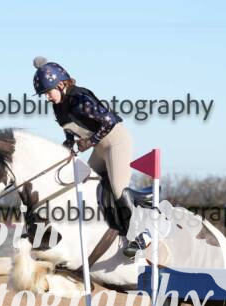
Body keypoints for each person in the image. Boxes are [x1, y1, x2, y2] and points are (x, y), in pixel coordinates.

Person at [32, 56, 147, 258]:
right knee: (84, 184)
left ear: (60, 85)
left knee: (118, 189)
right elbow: (69, 127)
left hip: (117, 142)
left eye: (48, 92)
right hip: (101, 148)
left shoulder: (80, 99)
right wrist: (68, 143)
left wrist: (90, 141)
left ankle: (140, 236)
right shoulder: (58, 105)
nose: (47, 97)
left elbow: (109, 122)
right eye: (44, 94)